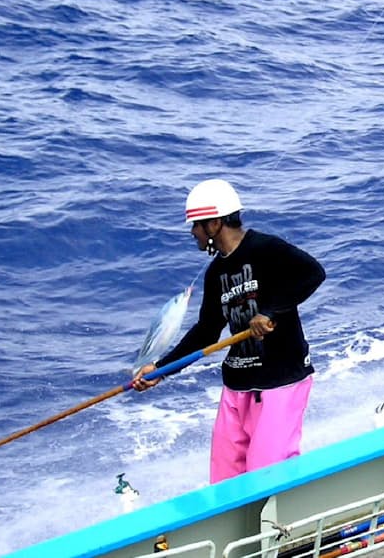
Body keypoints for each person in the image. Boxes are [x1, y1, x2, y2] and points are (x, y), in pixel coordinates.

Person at [132, 179, 326, 483]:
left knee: (268, 474)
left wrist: (270, 312)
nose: (192, 232)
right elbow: (206, 332)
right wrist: (161, 369)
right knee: (225, 477)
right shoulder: (215, 273)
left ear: (215, 223)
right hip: (237, 385)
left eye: (196, 225)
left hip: (280, 380)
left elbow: (313, 273)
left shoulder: (266, 248)